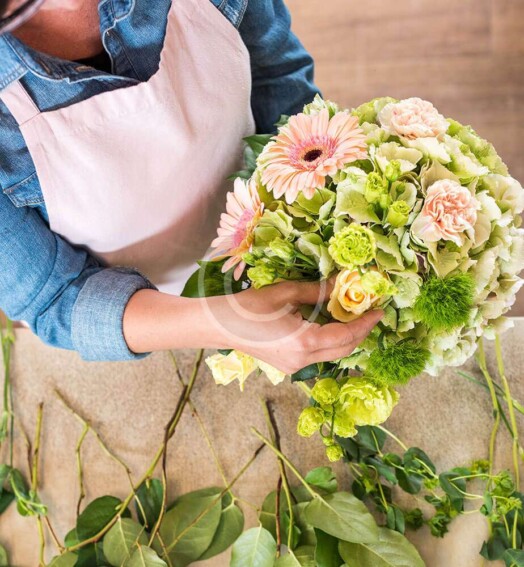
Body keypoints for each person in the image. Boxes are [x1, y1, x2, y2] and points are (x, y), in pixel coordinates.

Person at [0, 0, 383, 374]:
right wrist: (225, 323)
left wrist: (332, 206)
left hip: (283, 251)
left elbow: (279, 78)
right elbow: (54, 298)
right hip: (152, 327)